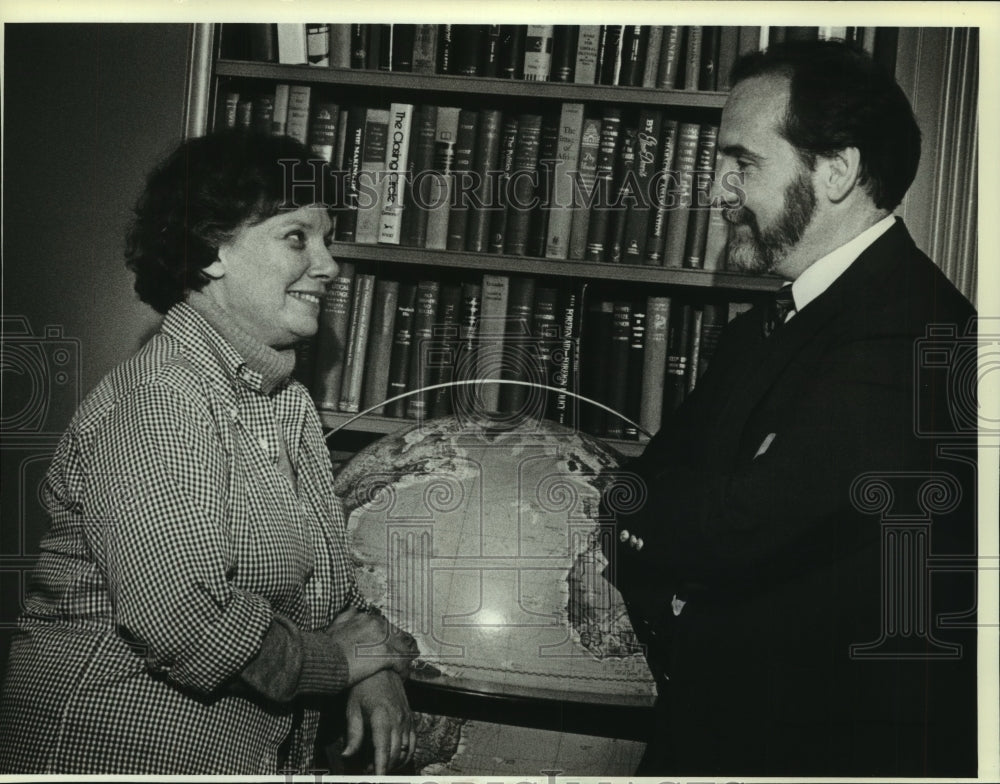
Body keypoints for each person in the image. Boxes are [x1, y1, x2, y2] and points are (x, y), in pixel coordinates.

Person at [604, 40, 977, 777]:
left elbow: (737, 524)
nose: (717, 189)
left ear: (836, 170)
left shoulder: (919, 331)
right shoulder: (763, 329)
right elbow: (651, 491)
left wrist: (672, 516)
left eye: (743, 162)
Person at [0, 130, 419, 775]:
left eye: (327, 240)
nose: (330, 265)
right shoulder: (162, 397)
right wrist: (339, 664)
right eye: (297, 237)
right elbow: (182, 616)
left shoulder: (286, 405)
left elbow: (328, 589)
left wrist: (375, 671)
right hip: (108, 750)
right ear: (214, 249)